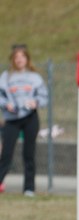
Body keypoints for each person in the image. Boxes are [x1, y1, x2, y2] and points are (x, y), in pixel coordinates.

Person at [0, 44, 48, 196]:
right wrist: (5, 104)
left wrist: (36, 102)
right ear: (13, 59)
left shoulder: (35, 77)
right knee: (6, 153)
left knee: (29, 154)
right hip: (12, 120)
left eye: (22, 56)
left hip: (30, 118)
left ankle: (29, 188)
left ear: (27, 59)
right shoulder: (6, 77)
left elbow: (44, 97)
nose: (19, 60)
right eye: (16, 57)